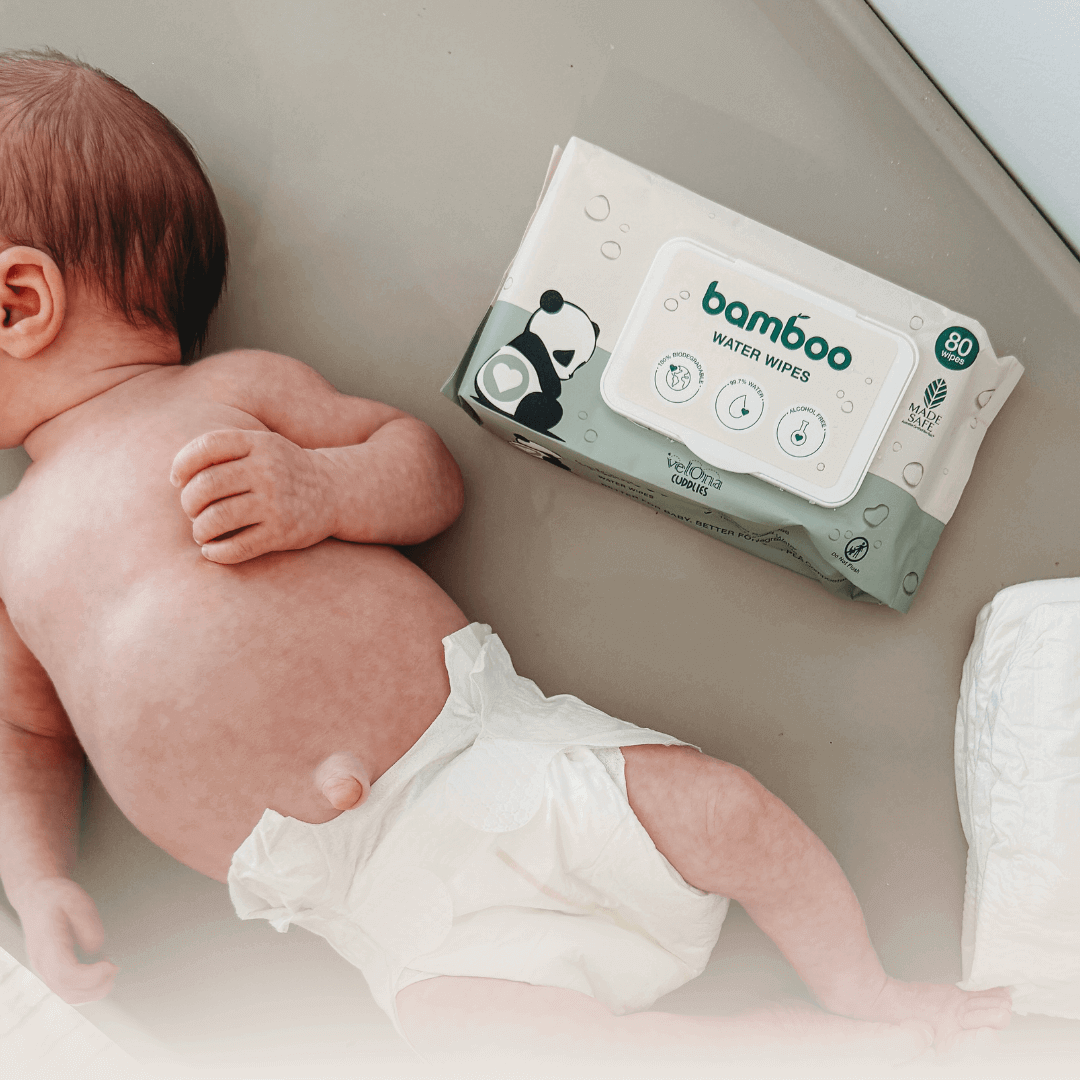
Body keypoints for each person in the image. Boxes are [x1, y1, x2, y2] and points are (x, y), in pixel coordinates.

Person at [0, 49, 1009, 1069]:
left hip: (491, 762)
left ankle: (862, 988)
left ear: (17, 303)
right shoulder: (10, 552)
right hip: (384, 911)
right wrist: (35, 881)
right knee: (492, 1050)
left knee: (725, 810)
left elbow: (423, 470)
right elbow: (25, 732)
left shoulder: (231, 393)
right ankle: (772, 1046)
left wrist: (320, 491)